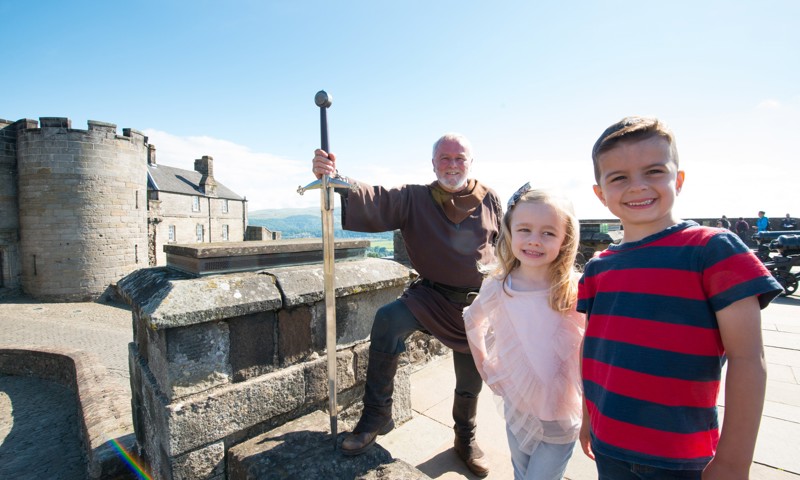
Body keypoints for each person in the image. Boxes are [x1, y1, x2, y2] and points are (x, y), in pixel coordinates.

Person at [579, 116, 782, 479]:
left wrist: (733, 462)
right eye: (619, 177)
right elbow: (594, 352)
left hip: (682, 457)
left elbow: (748, 358)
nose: (637, 186)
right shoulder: (597, 268)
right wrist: (587, 416)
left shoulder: (713, 249)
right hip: (609, 444)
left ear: (680, 179)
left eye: (654, 171)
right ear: (600, 193)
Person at [311, 133, 503, 476]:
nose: (452, 165)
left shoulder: (490, 200)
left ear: (470, 163)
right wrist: (335, 178)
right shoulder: (415, 198)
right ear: (433, 164)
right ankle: (375, 416)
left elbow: (507, 248)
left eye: (459, 158)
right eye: (444, 158)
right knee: (388, 319)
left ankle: (465, 438)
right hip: (430, 296)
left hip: (476, 305)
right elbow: (375, 197)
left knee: (470, 380)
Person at [463, 185, 585, 480]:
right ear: (509, 231)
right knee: (521, 472)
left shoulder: (574, 289)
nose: (534, 241)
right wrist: (485, 368)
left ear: (564, 238)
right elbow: (472, 319)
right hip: (517, 407)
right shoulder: (499, 285)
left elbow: (593, 348)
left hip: (560, 416)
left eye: (548, 233)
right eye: (525, 230)